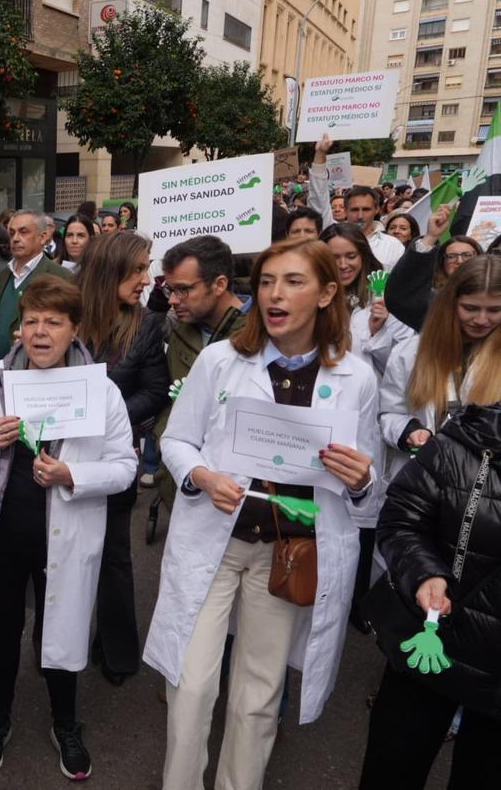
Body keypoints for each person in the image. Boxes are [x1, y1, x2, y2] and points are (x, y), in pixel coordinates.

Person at [146, 237, 379, 790]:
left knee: (257, 694)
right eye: (268, 281)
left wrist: (363, 480)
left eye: (293, 282)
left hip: (287, 554)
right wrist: (201, 476)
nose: (275, 294)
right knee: (192, 686)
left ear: (327, 293)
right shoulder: (222, 360)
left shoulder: (356, 378)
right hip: (216, 542)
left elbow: (371, 494)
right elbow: (178, 441)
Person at [0, 276, 137, 780]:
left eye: (53, 322)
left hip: (66, 540)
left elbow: (124, 467)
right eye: (31, 320)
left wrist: (72, 474)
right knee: (5, 631)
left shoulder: (102, 391)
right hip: (2, 537)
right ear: (18, 328)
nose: (40, 332)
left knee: (62, 634)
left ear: (74, 329)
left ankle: (65, 723)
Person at [358, 402, 501, 789]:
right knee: (391, 774)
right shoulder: (465, 440)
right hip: (432, 647)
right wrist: (424, 574)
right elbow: (402, 516)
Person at [76, 231, 169, 683]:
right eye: (138, 269)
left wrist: (106, 418)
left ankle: (115, 650)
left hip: (115, 460)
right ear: (107, 269)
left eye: (147, 267)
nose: (147, 279)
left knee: (114, 558)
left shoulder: (148, 324)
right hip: (62, 462)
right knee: (63, 553)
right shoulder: (64, 314)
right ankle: (61, 645)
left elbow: (154, 393)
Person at [379, 255, 501, 482]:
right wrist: (409, 432)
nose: (481, 320)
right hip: (423, 483)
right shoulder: (412, 351)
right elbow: (389, 412)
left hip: (486, 491)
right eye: (471, 308)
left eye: (494, 310)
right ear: (451, 303)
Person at [152, 235, 249, 514]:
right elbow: (169, 404)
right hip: (184, 487)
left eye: (183, 289)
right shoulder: (182, 332)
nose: (172, 300)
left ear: (219, 284)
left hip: (237, 498)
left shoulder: (259, 336)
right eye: (170, 289)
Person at [319, 223, 411, 376]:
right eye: (333, 257)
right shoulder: (310, 299)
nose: (342, 265)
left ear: (363, 256)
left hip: (366, 396)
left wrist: (376, 334)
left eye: (351, 256)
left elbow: (399, 368)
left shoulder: (384, 299)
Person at [0, 209, 72, 360]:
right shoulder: (2, 276)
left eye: (23, 232)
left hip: (39, 372)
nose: (15, 239)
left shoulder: (61, 277)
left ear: (43, 236)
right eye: (12, 233)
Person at [309, 135, 405, 268]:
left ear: (376, 209)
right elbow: (318, 200)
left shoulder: (392, 246)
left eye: (366, 209)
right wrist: (320, 154)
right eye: (354, 210)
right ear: (346, 210)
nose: (360, 216)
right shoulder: (331, 233)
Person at [385, 204, 483, 331]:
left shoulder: (494, 294)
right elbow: (398, 297)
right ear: (442, 263)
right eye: (452, 256)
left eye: (467, 255)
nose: (459, 261)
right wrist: (431, 237)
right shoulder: (434, 304)